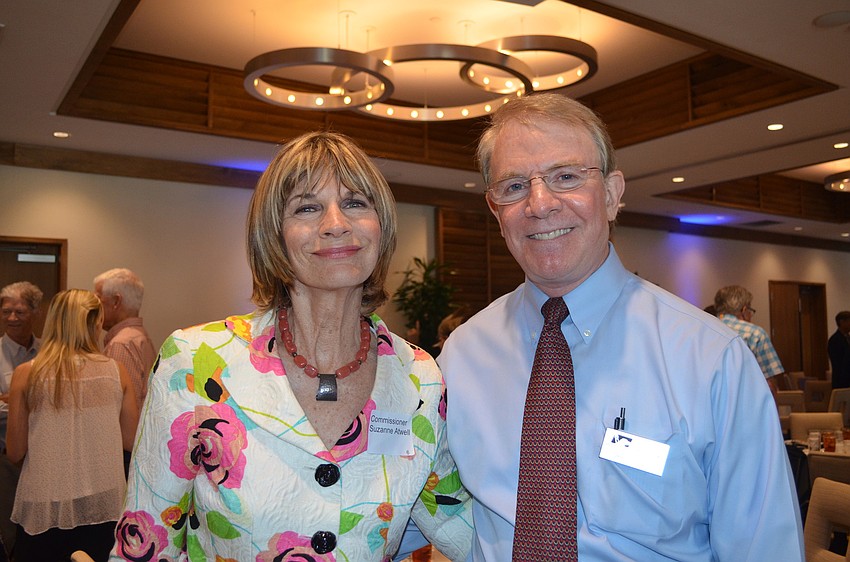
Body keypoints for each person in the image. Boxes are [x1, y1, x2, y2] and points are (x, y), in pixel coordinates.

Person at [437, 93, 803, 561]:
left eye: (565, 177)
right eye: (513, 187)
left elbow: (763, 550)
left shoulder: (711, 359)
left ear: (611, 195)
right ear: (495, 211)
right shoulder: (462, 356)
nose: (540, 204)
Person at [110, 131, 472, 561]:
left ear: (382, 225)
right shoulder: (194, 361)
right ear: (274, 234)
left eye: (356, 203)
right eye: (307, 207)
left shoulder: (420, 377)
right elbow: (147, 544)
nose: (336, 223)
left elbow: (461, 525)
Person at [6, 289, 138, 562]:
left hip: (44, 504)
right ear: (95, 322)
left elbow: (15, 451)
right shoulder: (116, 372)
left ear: (53, 321)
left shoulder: (26, 374)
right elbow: (130, 441)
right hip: (102, 504)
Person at [93, 268, 156, 412]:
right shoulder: (139, 337)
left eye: (97, 299)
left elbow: (121, 411)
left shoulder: (121, 345)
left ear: (116, 301)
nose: (94, 307)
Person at [714, 285, 784, 398]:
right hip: (746, 404)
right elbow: (769, 385)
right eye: (750, 311)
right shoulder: (755, 334)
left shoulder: (702, 331)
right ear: (744, 310)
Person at [0, 282, 44, 452]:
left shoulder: (48, 352)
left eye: (19, 312)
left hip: (42, 454)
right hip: (4, 457)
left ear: (36, 313)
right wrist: (34, 402)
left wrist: (13, 399)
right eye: (6, 312)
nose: (12, 318)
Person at [828, 310, 850, 389]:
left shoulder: (848, 338)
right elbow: (838, 363)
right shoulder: (835, 340)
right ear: (841, 322)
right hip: (841, 382)